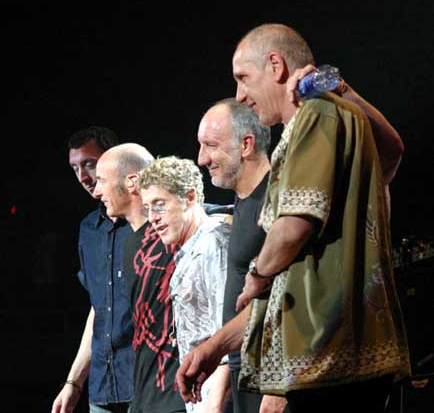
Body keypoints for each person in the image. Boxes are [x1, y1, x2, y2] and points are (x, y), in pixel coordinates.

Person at [177, 24, 411, 413]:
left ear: (276, 65)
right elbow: (392, 152)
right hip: (331, 365)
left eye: (243, 78)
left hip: (330, 363)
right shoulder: (336, 118)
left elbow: (292, 229)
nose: (240, 94)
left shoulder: (316, 115)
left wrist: (257, 274)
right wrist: (213, 347)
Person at [197, 99, 287, 413]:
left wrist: (280, 386)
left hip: (272, 377)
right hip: (244, 369)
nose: (201, 158)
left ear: (246, 145)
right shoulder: (243, 200)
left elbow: (295, 295)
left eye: (210, 145)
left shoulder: (276, 198)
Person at [92, 144, 187, 413]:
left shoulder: (175, 233)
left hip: (177, 395)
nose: (96, 191)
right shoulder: (130, 244)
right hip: (144, 395)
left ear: (132, 182)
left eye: (102, 180)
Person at [138, 156, 232, 413]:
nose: (152, 218)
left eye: (160, 205)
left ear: (190, 197)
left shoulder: (213, 243)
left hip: (217, 395)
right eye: (147, 208)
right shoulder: (189, 249)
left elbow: (226, 331)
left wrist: (215, 404)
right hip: (201, 393)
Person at [52, 126, 134, 413]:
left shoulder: (149, 222)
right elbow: (100, 308)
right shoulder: (89, 229)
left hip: (148, 383)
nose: (83, 177)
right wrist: (74, 382)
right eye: (75, 168)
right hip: (103, 385)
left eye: (89, 164)